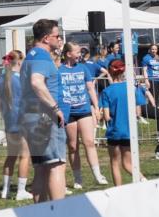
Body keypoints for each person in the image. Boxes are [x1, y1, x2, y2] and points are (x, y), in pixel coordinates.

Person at [19, 19, 66, 202]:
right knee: (56, 165)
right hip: (45, 116)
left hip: (31, 116)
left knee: (41, 167)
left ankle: (40, 212)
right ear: (46, 38)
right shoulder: (41, 56)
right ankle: (59, 212)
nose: (59, 39)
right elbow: (37, 82)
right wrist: (55, 108)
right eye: (57, 35)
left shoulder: (30, 56)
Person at [58, 41, 108, 189]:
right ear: (68, 54)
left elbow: (90, 88)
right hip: (68, 112)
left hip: (84, 110)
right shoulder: (59, 70)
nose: (80, 54)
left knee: (89, 142)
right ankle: (77, 178)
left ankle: (98, 175)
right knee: (73, 146)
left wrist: (96, 107)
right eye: (77, 52)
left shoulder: (83, 68)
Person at [100, 59, 145, 186]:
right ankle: (144, 180)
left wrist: (102, 116)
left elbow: (107, 116)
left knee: (115, 163)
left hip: (114, 131)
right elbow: (138, 112)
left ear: (110, 71)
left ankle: (118, 190)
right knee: (128, 164)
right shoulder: (132, 89)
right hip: (129, 131)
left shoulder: (107, 92)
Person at [0, 50, 32, 201]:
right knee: (25, 156)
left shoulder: (0, 79)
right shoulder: (21, 79)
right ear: (19, 61)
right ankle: (21, 191)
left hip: (9, 121)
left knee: (11, 156)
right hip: (22, 120)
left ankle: (5, 190)